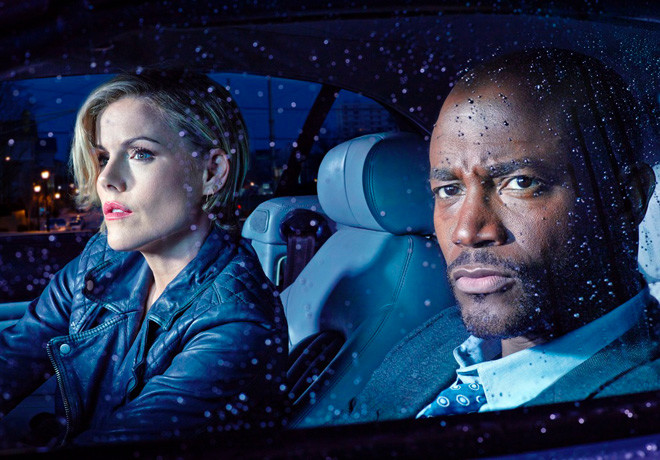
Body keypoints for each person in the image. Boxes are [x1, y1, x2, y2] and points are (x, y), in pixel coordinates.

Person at [344, 48, 659, 422]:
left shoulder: (636, 407)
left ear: (626, 199)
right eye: (449, 190)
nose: (466, 231)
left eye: (521, 183)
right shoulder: (435, 339)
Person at [0, 69, 287, 446]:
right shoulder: (102, 263)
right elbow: (16, 355)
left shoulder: (237, 327)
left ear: (212, 172)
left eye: (140, 153)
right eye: (104, 156)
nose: (106, 178)